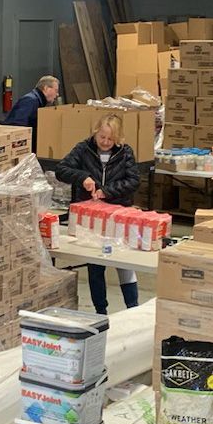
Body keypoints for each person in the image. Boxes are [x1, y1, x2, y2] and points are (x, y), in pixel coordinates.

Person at [56, 114, 141, 315]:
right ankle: (100, 311)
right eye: (101, 137)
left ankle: (133, 309)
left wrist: (107, 191)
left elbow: (134, 180)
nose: (105, 142)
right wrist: (82, 177)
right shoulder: (83, 149)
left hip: (118, 216)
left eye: (110, 139)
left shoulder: (125, 153)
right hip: (90, 217)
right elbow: (61, 170)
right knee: (95, 265)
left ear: (118, 138)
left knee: (124, 263)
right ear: (96, 132)